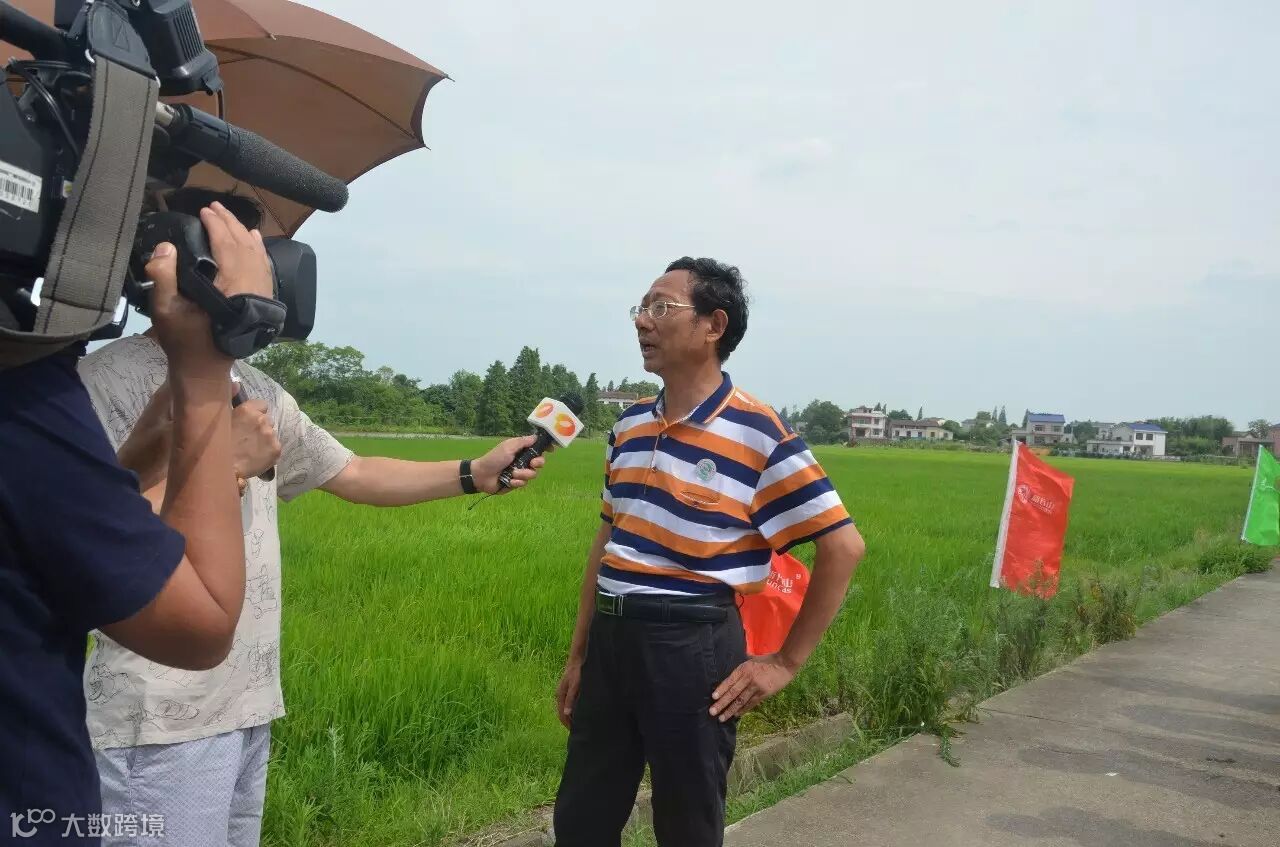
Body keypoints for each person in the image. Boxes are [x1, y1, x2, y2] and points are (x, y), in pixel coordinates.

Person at [76, 189, 547, 847]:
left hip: (245, 704)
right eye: (242, 252)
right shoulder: (96, 384)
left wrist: (472, 471)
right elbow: (89, 543)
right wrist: (225, 465)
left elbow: (351, 471)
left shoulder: (257, 388)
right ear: (189, 261)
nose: (266, 275)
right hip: (155, 719)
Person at [552, 257, 866, 846]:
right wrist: (579, 656)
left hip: (691, 648)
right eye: (641, 307)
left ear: (713, 326)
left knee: (687, 827)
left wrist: (785, 663)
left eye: (661, 307)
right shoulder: (629, 428)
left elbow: (844, 546)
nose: (643, 320)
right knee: (580, 823)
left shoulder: (757, 432)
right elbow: (608, 541)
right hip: (612, 644)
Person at [0, 203, 273, 845]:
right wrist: (205, 379)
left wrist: (139, 460)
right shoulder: (34, 390)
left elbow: (57, 533)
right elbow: (199, 624)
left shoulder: (34, 393)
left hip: (235, 707)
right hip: (129, 732)